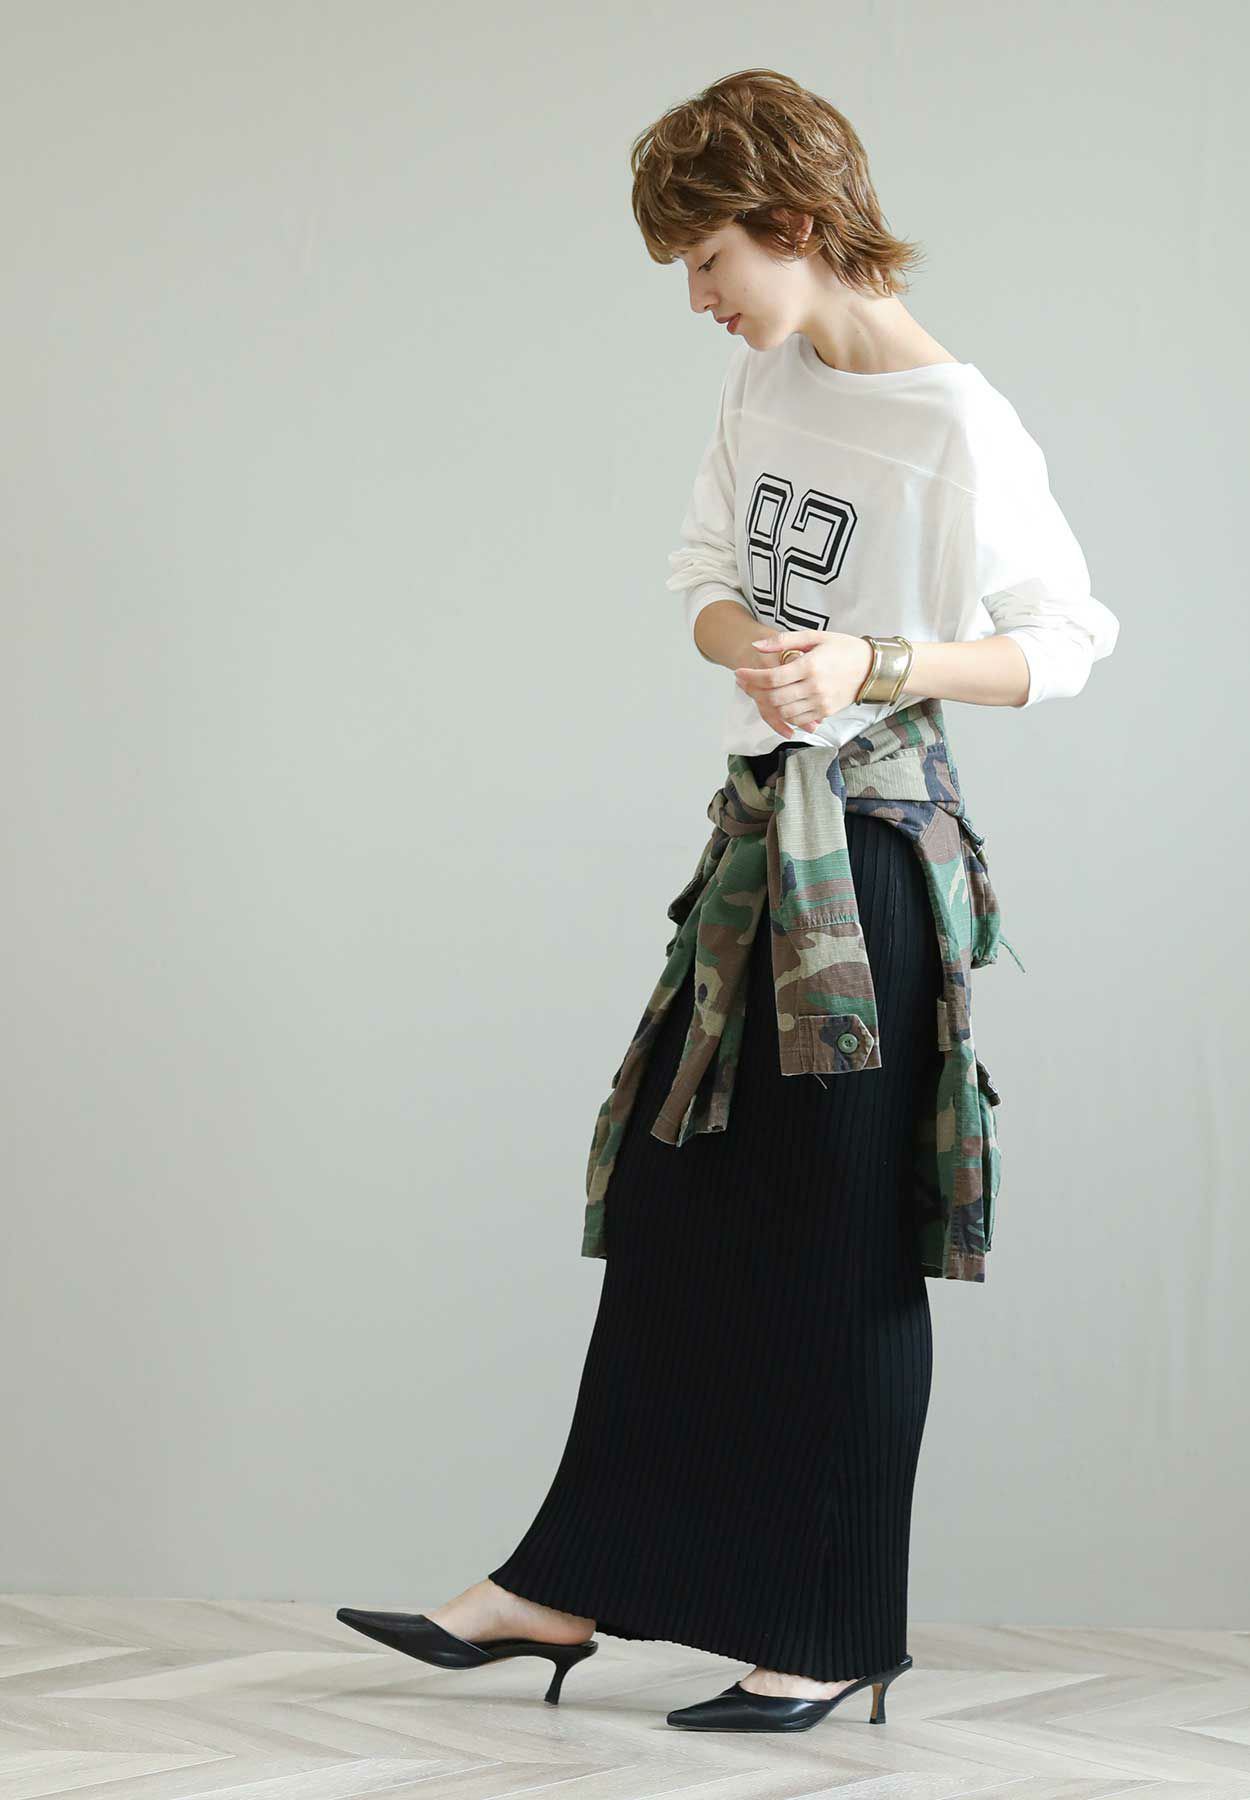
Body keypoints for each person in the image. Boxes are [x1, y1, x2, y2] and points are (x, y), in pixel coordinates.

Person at [338, 66, 1118, 1734]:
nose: (697, 298)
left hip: (873, 871)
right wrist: (755, 646)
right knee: (679, 1212)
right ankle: (568, 1582)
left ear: (800, 223)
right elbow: (702, 576)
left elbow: (1066, 641)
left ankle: (832, 1632)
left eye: (709, 262)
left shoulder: (960, 425)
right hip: (760, 855)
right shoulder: (765, 384)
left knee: (841, 1247)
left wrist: (871, 661)